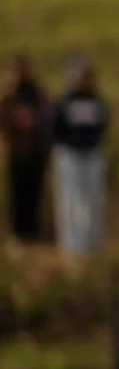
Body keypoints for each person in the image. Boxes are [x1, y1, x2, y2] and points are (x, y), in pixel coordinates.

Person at [51, 56, 109, 258]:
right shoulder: (65, 102)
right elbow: (56, 129)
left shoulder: (96, 101)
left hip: (92, 155)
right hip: (71, 157)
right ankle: (73, 245)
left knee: (93, 200)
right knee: (71, 199)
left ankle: (93, 243)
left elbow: (102, 125)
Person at [5, 56, 47, 243]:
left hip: (36, 151)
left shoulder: (37, 94)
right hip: (16, 150)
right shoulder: (9, 95)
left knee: (34, 192)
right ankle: (17, 233)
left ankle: (34, 231)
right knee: (17, 193)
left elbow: (48, 114)